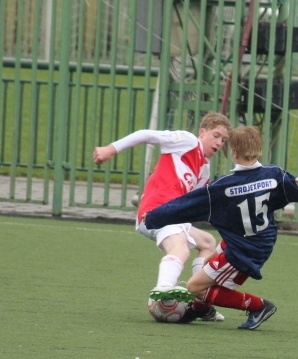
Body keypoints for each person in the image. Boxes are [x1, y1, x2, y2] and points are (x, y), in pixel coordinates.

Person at [144, 126, 298, 330]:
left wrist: (153, 217)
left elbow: (186, 204)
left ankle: (258, 306)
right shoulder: (276, 176)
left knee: (195, 287)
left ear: (234, 152)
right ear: (259, 150)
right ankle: (201, 309)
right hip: (258, 241)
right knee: (210, 263)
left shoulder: (222, 187)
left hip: (244, 250)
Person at [92, 112, 232, 322]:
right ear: (202, 132)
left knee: (207, 242)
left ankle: (200, 302)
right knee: (181, 249)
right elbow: (145, 134)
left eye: (224, 140)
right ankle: (164, 288)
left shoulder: (204, 169)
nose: (219, 143)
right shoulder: (187, 141)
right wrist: (111, 149)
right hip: (157, 213)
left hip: (174, 217)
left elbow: (196, 202)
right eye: (216, 135)